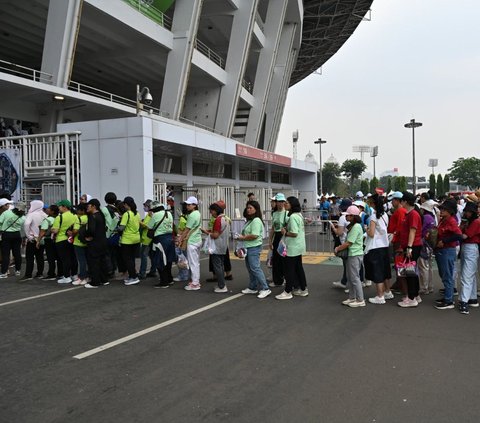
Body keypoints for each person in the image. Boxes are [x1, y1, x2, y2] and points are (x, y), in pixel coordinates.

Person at [276, 197, 308, 299]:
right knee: (298, 268)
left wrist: (285, 232)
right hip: (299, 246)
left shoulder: (293, 217)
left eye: (287, 203)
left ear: (292, 204)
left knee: (289, 270)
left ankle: (287, 291)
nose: (285, 204)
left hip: (293, 247)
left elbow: (294, 233)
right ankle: (303, 289)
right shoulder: (298, 215)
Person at [238, 200, 271, 299]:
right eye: (247, 208)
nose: (248, 210)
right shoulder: (250, 220)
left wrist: (242, 238)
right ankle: (252, 287)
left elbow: (255, 235)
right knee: (250, 268)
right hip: (248, 247)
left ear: (255, 209)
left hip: (254, 247)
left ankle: (265, 288)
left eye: (250, 208)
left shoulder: (256, 220)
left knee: (255, 268)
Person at [364, 194, 393, 304]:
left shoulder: (373, 217)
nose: (369, 204)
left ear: (374, 204)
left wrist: (366, 229)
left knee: (377, 271)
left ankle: (380, 296)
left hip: (375, 246)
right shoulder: (385, 215)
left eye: (370, 202)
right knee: (385, 270)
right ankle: (387, 291)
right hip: (384, 245)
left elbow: (371, 234)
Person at [396, 191, 423, 307]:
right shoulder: (411, 213)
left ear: (405, 201)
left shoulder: (413, 214)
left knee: (409, 271)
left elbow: (413, 230)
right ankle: (415, 295)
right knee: (411, 270)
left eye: (402, 200)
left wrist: (409, 247)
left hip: (413, 245)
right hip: (411, 245)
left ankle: (412, 298)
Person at [434, 199, 463, 310]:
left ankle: (449, 300)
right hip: (442, 250)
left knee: (447, 275)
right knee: (444, 274)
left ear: (450, 211)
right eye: (441, 208)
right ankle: (448, 296)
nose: (441, 210)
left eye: (444, 209)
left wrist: (444, 241)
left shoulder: (451, 220)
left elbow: (458, 235)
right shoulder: (444, 220)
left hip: (447, 250)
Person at [334, 205, 365, 307]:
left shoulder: (355, 227)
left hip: (354, 254)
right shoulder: (355, 226)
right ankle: (353, 298)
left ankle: (360, 299)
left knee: (354, 278)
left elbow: (348, 243)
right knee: (352, 277)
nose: (346, 217)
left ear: (352, 216)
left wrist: (338, 248)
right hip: (354, 254)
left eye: (348, 215)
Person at [202, 202, 230, 293]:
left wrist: (206, 232)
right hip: (223, 245)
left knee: (217, 266)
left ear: (215, 210)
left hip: (217, 246)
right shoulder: (225, 218)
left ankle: (222, 286)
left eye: (211, 211)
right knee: (221, 265)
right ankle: (221, 284)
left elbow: (215, 235)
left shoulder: (218, 220)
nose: (211, 213)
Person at [458, 201, 480, 314]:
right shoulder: (472, 221)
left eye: (467, 212)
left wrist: (459, 231)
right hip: (469, 247)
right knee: (470, 274)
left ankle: (464, 301)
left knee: (466, 275)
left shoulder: (476, 222)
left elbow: (465, 236)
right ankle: (472, 298)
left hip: (470, 246)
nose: (465, 213)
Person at [148, 201, 176, 288]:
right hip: (170, 238)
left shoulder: (155, 215)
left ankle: (164, 282)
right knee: (168, 260)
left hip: (160, 240)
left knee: (160, 260)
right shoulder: (169, 213)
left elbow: (149, 227)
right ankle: (169, 278)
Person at [177, 196, 202, 291]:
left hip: (192, 241)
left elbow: (186, 230)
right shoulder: (197, 213)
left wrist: (180, 239)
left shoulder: (192, 215)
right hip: (197, 239)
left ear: (194, 205)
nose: (187, 206)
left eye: (189, 204)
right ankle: (195, 281)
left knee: (193, 263)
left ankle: (195, 283)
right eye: (187, 204)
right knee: (196, 262)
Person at [83, 199, 109, 288]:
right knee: (102, 261)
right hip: (102, 241)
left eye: (88, 205)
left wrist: (86, 236)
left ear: (94, 206)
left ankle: (95, 282)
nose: (87, 207)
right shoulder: (101, 215)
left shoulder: (92, 216)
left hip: (94, 243)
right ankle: (104, 279)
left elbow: (91, 230)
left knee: (94, 262)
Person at [51, 200, 78, 284]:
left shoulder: (60, 217)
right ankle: (74, 275)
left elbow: (55, 230)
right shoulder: (75, 216)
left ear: (64, 207)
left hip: (61, 240)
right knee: (73, 258)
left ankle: (66, 276)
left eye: (59, 206)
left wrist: (51, 229)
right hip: (72, 239)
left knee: (65, 259)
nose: (58, 208)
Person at [21, 200, 47, 281]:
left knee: (30, 258)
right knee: (40, 257)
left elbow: (26, 224)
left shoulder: (31, 214)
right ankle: (40, 273)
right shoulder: (45, 214)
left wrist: (28, 235)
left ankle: (28, 274)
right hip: (42, 238)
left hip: (32, 239)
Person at [0, 200, 26, 278]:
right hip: (17, 235)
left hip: (6, 234)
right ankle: (18, 270)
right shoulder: (23, 217)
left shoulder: (6, 213)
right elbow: (22, 228)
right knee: (17, 253)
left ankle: (4, 272)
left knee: (5, 254)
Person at [331, 198, 352, 289]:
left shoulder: (343, 217)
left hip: (345, 242)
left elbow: (339, 232)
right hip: (354, 242)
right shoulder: (354, 216)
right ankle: (345, 281)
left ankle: (348, 284)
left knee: (348, 265)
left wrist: (334, 228)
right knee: (352, 265)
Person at [119, 196, 141, 285]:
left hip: (127, 240)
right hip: (136, 238)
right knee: (131, 259)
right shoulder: (137, 213)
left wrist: (117, 227)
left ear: (126, 204)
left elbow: (121, 228)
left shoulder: (126, 214)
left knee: (127, 259)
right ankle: (133, 275)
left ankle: (133, 277)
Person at [418, 200, 437, 294]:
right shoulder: (432, 217)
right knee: (429, 266)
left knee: (423, 266)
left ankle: (423, 287)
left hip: (423, 244)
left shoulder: (425, 218)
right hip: (431, 244)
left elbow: (420, 230)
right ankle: (430, 286)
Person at [268, 193, 287, 287]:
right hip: (277, 236)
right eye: (278, 201)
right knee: (275, 259)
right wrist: (270, 240)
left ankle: (285, 278)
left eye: (282, 201)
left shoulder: (287, 213)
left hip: (284, 237)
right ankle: (277, 280)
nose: (280, 203)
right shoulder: (274, 213)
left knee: (284, 259)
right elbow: (273, 228)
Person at [36, 205, 59, 280]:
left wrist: (38, 241)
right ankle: (60, 273)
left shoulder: (47, 220)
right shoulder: (58, 218)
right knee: (59, 258)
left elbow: (42, 232)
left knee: (50, 258)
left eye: (49, 209)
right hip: (57, 239)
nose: (47, 210)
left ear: (52, 211)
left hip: (49, 240)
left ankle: (51, 274)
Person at [71, 203, 89, 285]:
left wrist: (71, 234)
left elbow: (75, 231)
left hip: (78, 242)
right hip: (87, 242)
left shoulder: (79, 219)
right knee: (87, 260)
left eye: (78, 209)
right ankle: (87, 277)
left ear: (82, 210)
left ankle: (82, 277)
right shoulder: (89, 217)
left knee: (81, 261)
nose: (77, 211)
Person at [173, 201, 190, 283]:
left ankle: (183, 276)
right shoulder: (190, 216)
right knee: (188, 259)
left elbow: (180, 232)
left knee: (182, 259)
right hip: (190, 240)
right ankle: (188, 274)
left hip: (183, 241)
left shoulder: (182, 219)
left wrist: (177, 242)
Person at [138, 200, 154, 279]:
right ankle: (153, 271)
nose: (144, 207)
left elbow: (148, 226)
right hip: (149, 238)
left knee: (144, 256)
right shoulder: (149, 215)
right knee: (151, 256)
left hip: (147, 239)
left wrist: (140, 223)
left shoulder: (151, 215)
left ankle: (142, 273)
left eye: (146, 206)